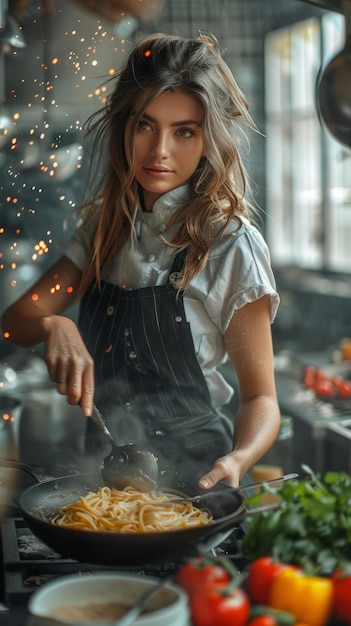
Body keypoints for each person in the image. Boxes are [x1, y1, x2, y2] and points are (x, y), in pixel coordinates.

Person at [1, 31, 281, 490]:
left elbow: (261, 399)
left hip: (198, 481)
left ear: (208, 140)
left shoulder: (231, 244)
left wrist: (240, 459)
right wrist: (55, 325)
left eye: (184, 131)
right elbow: (16, 321)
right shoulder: (106, 230)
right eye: (146, 125)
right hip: (101, 476)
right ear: (123, 127)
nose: (160, 151)